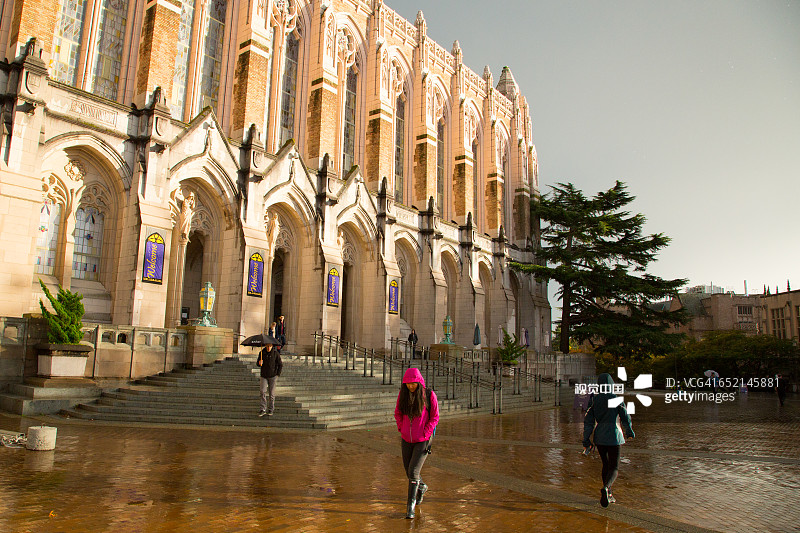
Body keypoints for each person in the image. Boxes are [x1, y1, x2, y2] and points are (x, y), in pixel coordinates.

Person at [583, 373, 635, 508]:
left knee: (605, 464)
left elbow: (588, 421)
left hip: (599, 436)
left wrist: (586, 439)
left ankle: (609, 492)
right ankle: (607, 488)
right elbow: (625, 417)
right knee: (614, 466)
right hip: (614, 434)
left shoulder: (594, 400)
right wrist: (629, 431)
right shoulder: (616, 398)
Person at [394, 367, 439, 519]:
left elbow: (435, 417)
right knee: (409, 471)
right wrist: (401, 428)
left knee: (413, 472)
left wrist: (426, 434)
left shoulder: (429, 395)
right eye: (408, 384)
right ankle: (421, 487)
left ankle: (410, 508)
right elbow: (398, 413)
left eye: (413, 384)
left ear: (419, 382)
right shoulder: (404, 395)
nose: (411, 386)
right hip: (407, 438)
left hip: (423, 441)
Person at [257, 335, 283, 417]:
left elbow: (280, 364)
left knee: (271, 394)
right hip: (264, 375)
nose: (268, 348)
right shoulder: (261, 353)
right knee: (262, 391)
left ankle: (271, 409)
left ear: (272, 346)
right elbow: (258, 363)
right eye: (267, 346)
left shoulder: (275, 354)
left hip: (272, 375)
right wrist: (259, 363)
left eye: (270, 346)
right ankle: (262, 408)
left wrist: (277, 374)